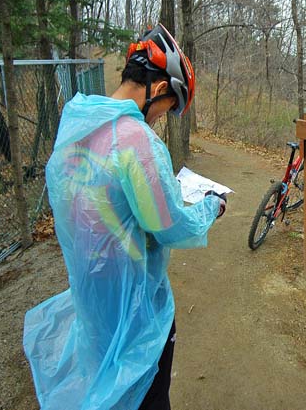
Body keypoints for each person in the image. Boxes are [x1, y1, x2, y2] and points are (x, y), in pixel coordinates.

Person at [23, 23, 226, 410]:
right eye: (168, 107)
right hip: (134, 303)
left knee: (110, 386)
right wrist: (210, 206)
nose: (161, 117)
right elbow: (169, 226)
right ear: (160, 88)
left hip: (92, 295)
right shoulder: (135, 140)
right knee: (149, 396)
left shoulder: (79, 123)